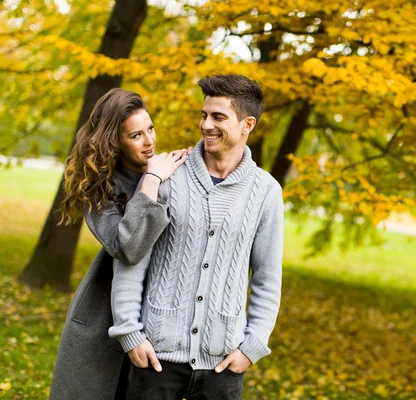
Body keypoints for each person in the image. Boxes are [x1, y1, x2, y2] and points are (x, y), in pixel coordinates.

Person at [108, 74, 284, 400]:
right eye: (204, 115)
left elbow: (267, 277)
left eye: (218, 117)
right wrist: (130, 332)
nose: (206, 125)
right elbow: (132, 260)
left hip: (223, 366)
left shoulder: (266, 192)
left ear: (247, 124)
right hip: (156, 360)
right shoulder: (168, 175)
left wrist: (253, 345)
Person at [49, 88, 189, 400]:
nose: (150, 141)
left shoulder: (174, 170)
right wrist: (151, 181)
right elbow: (128, 248)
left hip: (164, 308)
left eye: (150, 129)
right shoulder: (99, 188)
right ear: (115, 142)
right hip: (104, 315)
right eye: (136, 135)